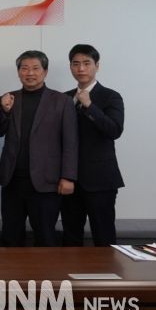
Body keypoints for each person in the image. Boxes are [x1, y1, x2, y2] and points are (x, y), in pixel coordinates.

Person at [0, 50, 78, 247]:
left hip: (47, 182)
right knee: (10, 237)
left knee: (45, 237)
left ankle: (45, 269)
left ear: (45, 72)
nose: (30, 73)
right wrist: (4, 111)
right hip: (13, 180)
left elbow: (70, 141)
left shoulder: (62, 101)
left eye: (35, 68)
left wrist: (68, 177)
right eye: (24, 68)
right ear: (18, 72)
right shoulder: (9, 99)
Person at [61, 44, 124, 246]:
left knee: (104, 236)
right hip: (69, 180)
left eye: (87, 63)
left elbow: (114, 130)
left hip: (100, 180)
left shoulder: (111, 96)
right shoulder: (64, 98)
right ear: (70, 67)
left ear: (97, 66)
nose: (81, 68)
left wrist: (89, 105)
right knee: (71, 237)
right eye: (76, 63)